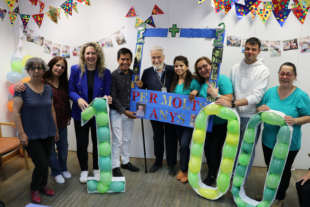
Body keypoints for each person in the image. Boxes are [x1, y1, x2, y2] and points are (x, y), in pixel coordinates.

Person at [256, 62, 310, 207]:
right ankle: (269, 193)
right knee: (270, 167)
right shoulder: (270, 92)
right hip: (268, 139)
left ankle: (279, 197)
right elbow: (258, 110)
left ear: (295, 76)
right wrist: (260, 108)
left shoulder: (301, 96)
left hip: (289, 143)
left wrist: (296, 119)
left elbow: (309, 116)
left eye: (289, 74)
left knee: (283, 170)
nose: (285, 77)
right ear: (279, 74)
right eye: (282, 73)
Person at [215, 37, 270, 179]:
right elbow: (231, 92)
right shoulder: (235, 68)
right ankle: (230, 177)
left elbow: (256, 97)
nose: (250, 52)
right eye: (247, 48)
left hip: (251, 118)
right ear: (244, 49)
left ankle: (240, 183)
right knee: (232, 149)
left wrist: (232, 104)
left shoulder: (263, 70)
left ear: (258, 51)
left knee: (246, 152)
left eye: (253, 49)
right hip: (234, 116)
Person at [14, 57, 71, 184]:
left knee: (63, 148)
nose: (60, 68)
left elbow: (59, 104)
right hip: (42, 125)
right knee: (48, 155)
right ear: (50, 66)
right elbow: (17, 110)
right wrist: (18, 85)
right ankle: (55, 172)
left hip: (60, 121)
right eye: (57, 65)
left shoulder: (63, 83)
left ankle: (62, 169)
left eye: (62, 67)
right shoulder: (41, 81)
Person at [13, 57, 59, 204]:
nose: (37, 71)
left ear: (44, 71)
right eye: (33, 68)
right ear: (28, 70)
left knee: (46, 161)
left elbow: (52, 109)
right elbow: (15, 112)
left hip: (48, 132)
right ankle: (34, 188)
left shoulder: (48, 89)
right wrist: (21, 134)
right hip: (31, 135)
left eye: (40, 68)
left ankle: (43, 185)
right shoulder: (22, 89)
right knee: (41, 164)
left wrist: (56, 129)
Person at [68, 42, 112, 183]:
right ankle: (84, 171)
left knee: (97, 143)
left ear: (98, 55)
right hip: (80, 113)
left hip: (98, 114)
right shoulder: (75, 69)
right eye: (88, 53)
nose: (90, 56)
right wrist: (78, 99)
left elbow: (106, 92)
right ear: (83, 55)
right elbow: (70, 90)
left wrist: (106, 98)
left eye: (93, 53)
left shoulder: (105, 72)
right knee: (81, 143)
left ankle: (97, 169)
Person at [136, 46, 177, 176]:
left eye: (159, 57)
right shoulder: (147, 72)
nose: (156, 59)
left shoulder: (173, 69)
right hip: (155, 112)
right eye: (153, 57)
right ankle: (158, 161)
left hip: (171, 112)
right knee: (157, 136)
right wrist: (140, 111)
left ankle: (171, 164)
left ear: (164, 57)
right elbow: (142, 94)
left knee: (171, 137)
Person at [194, 56, 233, 185]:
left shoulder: (222, 79)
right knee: (207, 148)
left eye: (205, 66)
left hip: (219, 123)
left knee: (215, 149)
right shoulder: (200, 83)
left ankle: (212, 176)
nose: (203, 70)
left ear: (212, 65)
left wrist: (217, 95)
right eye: (199, 68)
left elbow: (230, 100)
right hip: (205, 123)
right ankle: (212, 171)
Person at [170, 55, 200, 183]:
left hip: (190, 120)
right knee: (181, 145)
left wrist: (194, 92)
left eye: (181, 65)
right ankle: (183, 169)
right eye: (176, 66)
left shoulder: (193, 80)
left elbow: (199, 91)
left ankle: (185, 170)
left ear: (187, 66)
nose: (178, 68)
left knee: (184, 144)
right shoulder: (174, 81)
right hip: (177, 119)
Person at [110, 48, 140, 177]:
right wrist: (124, 111)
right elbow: (113, 96)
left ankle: (125, 162)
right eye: (122, 59)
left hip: (130, 112)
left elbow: (138, 94)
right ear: (118, 60)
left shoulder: (134, 75)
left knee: (127, 139)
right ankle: (115, 165)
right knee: (117, 140)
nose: (125, 62)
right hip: (117, 113)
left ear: (131, 60)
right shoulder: (113, 75)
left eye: (128, 59)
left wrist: (141, 85)